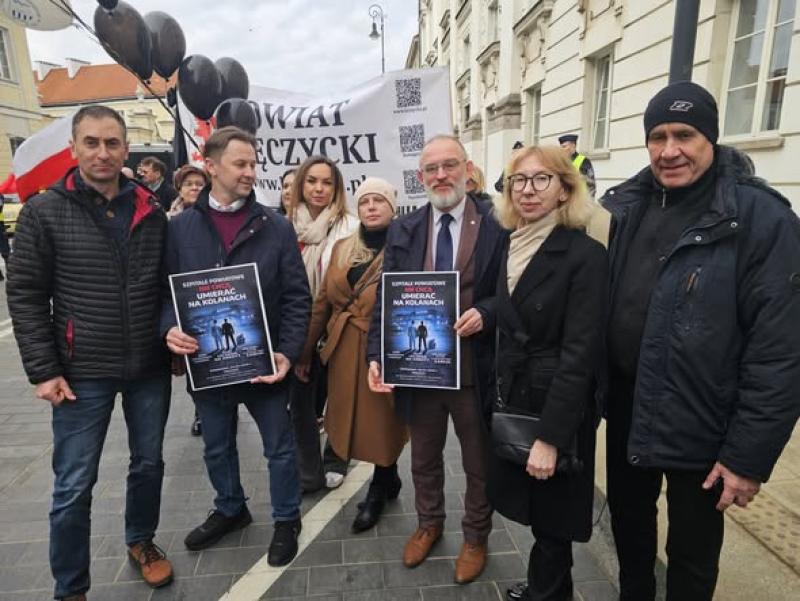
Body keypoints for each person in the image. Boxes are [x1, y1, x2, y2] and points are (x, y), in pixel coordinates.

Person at [602, 81, 800, 601]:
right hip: (627, 406)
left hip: (703, 420)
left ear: (711, 137)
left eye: (684, 135)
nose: (670, 151)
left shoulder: (762, 218)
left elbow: (780, 351)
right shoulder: (623, 205)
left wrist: (747, 457)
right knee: (630, 527)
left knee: (691, 553)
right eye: (658, 136)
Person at [7, 105, 174, 600]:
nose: (103, 152)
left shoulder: (151, 208)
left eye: (112, 143)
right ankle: (71, 587)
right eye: (92, 143)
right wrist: (44, 369)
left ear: (126, 148)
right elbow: (26, 295)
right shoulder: (44, 210)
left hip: (147, 366)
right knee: (74, 485)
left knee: (148, 464)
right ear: (74, 148)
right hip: (81, 373)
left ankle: (141, 540)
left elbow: (168, 284)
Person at [162, 126, 311, 567]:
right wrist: (169, 328)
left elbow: (297, 296)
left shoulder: (275, 226)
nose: (251, 172)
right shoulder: (181, 227)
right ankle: (231, 507)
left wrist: (287, 350)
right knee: (216, 446)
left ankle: (287, 519)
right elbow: (163, 292)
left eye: (253, 163)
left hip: (263, 363)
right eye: (240, 164)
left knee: (279, 448)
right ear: (211, 166)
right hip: (207, 366)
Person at [367, 134, 506, 584]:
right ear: (420, 178)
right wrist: (377, 356)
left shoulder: (496, 222)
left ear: (467, 169)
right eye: (432, 169)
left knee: (477, 461)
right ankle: (429, 524)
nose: (441, 175)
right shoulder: (404, 229)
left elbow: (511, 293)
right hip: (421, 368)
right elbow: (385, 297)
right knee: (423, 456)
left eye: (450, 165)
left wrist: (486, 313)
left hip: (473, 369)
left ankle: (475, 536)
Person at [486, 145, 607, 601]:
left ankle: (547, 593)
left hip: (557, 405)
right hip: (517, 396)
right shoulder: (512, 243)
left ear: (564, 190)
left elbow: (580, 354)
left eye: (541, 180)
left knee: (554, 518)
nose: (528, 190)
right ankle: (550, 588)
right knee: (542, 515)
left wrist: (552, 437)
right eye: (519, 180)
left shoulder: (584, 254)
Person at [295, 177, 408, 532]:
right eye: (365, 201)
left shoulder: (407, 247)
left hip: (388, 347)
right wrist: (305, 352)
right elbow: (323, 303)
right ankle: (387, 479)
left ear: (393, 207)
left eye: (380, 200)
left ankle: (380, 483)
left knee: (384, 420)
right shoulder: (342, 247)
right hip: (344, 347)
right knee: (351, 419)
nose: (372, 206)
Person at [288, 155, 359, 492]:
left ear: (337, 188)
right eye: (312, 180)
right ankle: (306, 470)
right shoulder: (285, 226)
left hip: (337, 326)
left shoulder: (351, 227)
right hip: (297, 326)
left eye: (327, 182)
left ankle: (336, 459)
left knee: (340, 398)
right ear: (301, 183)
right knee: (300, 402)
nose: (319, 188)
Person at [557, 135, 596, 200]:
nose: (561, 150)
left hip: (578, 202)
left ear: (573, 146)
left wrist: (587, 203)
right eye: (561, 147)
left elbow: (591, 185)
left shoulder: (583, 161)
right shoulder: (560, 161)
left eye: (564, 147)